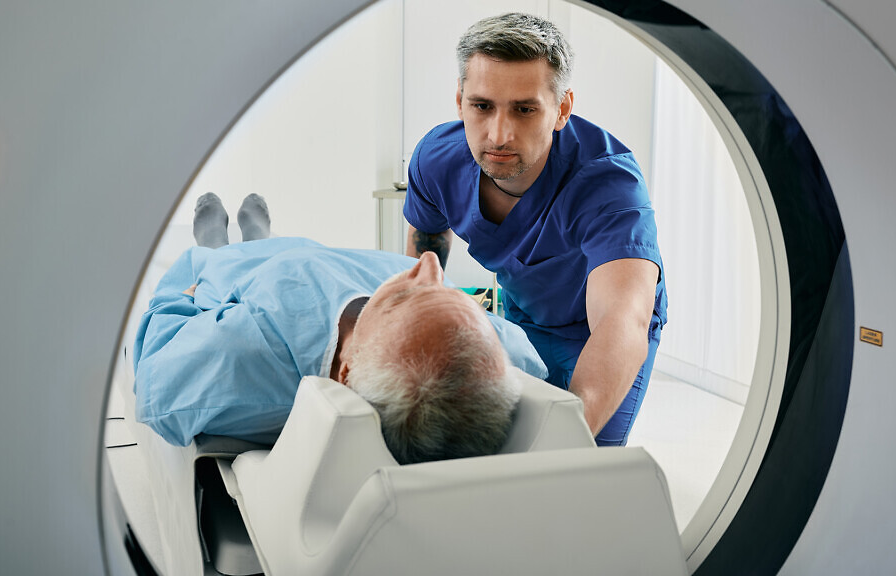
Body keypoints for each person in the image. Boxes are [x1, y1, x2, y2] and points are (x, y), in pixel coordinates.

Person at [403, 13, 667, 446]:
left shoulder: (608, 185)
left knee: (578, 457)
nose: (499, 134)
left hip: (599, 330)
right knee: (491, 438)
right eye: (482, 106)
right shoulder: (437, 159)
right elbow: (425, 250)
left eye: (525, 109)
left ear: (561, 109)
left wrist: (563, 446)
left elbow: (622, 318)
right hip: (525, 315)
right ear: (460, 100)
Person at [133, 193, 547, 465]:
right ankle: (261, 235)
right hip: (327, 259)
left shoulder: (247, 356)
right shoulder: (506, 355)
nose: (430, 264)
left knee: (217, 259)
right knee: (281, 243)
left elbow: (155, 382)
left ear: (345, 372)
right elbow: (528, 360)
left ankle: (213, 243)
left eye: (405, 299)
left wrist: (181, 299)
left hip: (245, 281)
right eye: (447, 293)